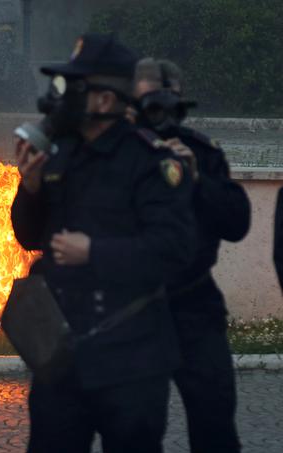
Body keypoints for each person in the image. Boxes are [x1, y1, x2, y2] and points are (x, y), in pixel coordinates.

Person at [11, 33, 195, 453]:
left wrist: (94, 252)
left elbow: (174, 251)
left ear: (106, 101)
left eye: (75, 87)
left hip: (131, 359)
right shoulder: (59, 154)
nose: (62, 96)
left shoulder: (152, 163)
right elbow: (26, 236)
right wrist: (31, 186)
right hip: (62, 358)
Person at [134, 58, 250, 453]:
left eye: (170, 106)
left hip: (194, 305)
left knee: (215, 423)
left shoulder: (202, 153)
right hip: (135, 310)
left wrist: (198, 177)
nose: (161, 116)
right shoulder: (117, 157)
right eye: (151, 105)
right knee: (137, 429)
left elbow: (237, 224)